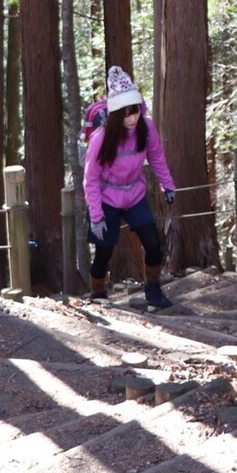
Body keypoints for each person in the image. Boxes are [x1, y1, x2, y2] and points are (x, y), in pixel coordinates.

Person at [84, 66, 175, 308]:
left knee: (153, 242)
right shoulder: (101, 139)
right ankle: (98, 292)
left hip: (134, 194)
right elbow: (90, 179)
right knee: (104, 249)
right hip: (106, 198)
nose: (132, 118)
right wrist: (96, 217)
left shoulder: (146, 128)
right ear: (116, 115)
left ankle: (153, 289)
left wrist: (168, 185)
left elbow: (156, 157)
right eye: (126, 113)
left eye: (135, 110)